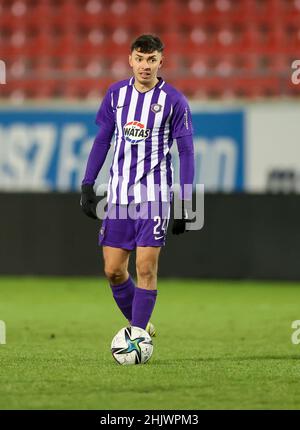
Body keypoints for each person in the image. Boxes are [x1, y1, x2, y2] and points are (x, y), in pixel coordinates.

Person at [80, 34, 194, 336]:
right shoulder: (116, 95)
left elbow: (186, 152)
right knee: (114, 270)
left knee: (145, 268)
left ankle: (138, 336)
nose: (145, 66)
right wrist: (87, 184)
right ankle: (142, 324)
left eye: (152, 59)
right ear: (130, 59)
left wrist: (185, 199)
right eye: (140, 59)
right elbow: (103, 139)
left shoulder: (174, 101)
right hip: (118, 196)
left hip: (154, 196)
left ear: (161, 61)